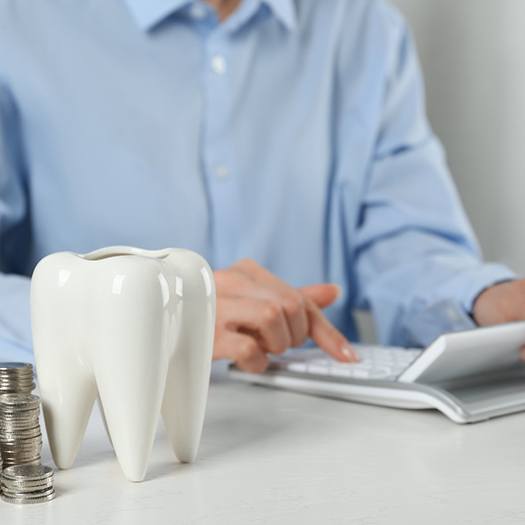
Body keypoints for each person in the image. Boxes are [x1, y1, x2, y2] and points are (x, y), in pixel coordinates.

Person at [0, 0, 523, 374]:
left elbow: (404, 243)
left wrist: (484, 299)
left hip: (331, 442)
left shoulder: (364, 26)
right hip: (104, 443)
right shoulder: (16, 25)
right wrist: (124, 310)